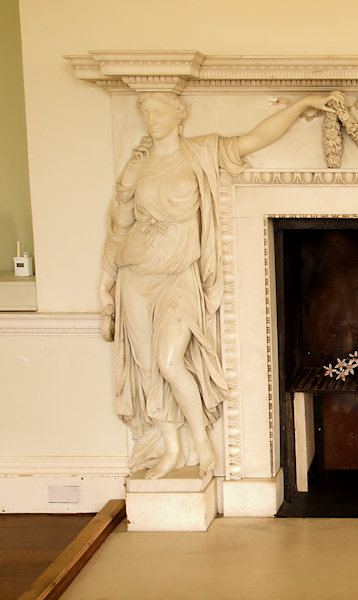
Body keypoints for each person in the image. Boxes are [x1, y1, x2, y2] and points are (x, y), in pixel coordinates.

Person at [100, 90, 344, 479]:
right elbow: (120, 225)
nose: (152, 119)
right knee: (147, 369)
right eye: (146, 112)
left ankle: (201, 444)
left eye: (159, 111)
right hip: (135, 273)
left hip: (180, 275)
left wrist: (301, 105)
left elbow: (255, 139)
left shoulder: (201, 152)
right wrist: (106, 283)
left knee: (169, 362)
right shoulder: (138, 164)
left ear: (179, 115)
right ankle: (172, 449)